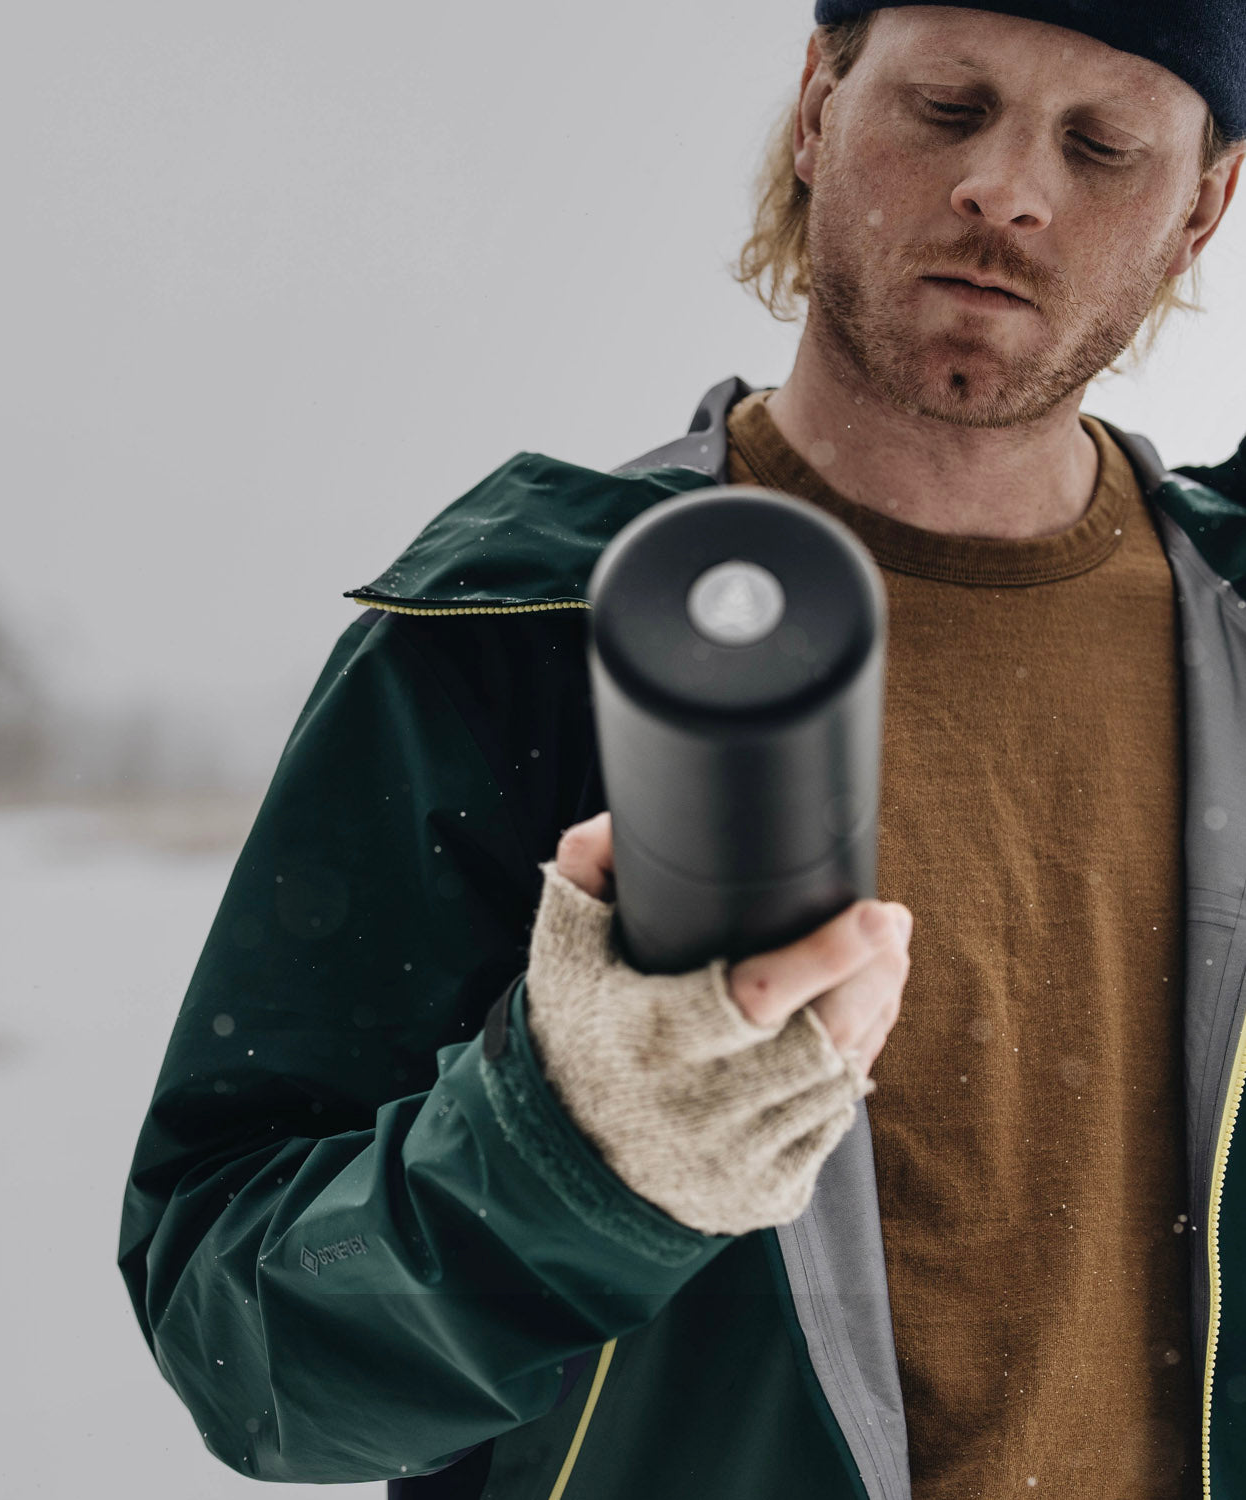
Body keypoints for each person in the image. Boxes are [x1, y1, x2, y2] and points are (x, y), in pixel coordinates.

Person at [117, 5, 1246, 1497]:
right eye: (947, 107)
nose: (1007, 191)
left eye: (1100, 147)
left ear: (1200, 211)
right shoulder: (516, 634)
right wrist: (569, 1156)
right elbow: (247, 1347)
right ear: (818, 105)